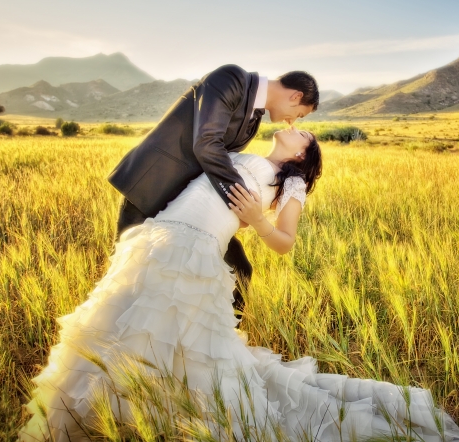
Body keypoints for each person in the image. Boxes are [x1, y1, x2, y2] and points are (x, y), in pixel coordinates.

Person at [15, 128, 459, 442]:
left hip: (194, 263)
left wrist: (256, 219)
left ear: (303, 153)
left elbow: (283, 243)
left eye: (304, 132)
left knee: (188, 359)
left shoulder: (290, 186)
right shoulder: (240, 153)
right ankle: (101, 435)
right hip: (163, 248)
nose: (296, 126)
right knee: (128, 337)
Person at [108, 64, 319, 313]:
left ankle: (223, 335)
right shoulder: (232, 78)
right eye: (299, 115)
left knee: (239, 269)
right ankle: (108, 338)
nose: (292, 122)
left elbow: (225, 159)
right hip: (153, 184)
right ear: (295, 96)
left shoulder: (255, 118)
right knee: (127, 267)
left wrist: (240, 210)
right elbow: (207, 143)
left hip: (191, 201)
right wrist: (238, 201)